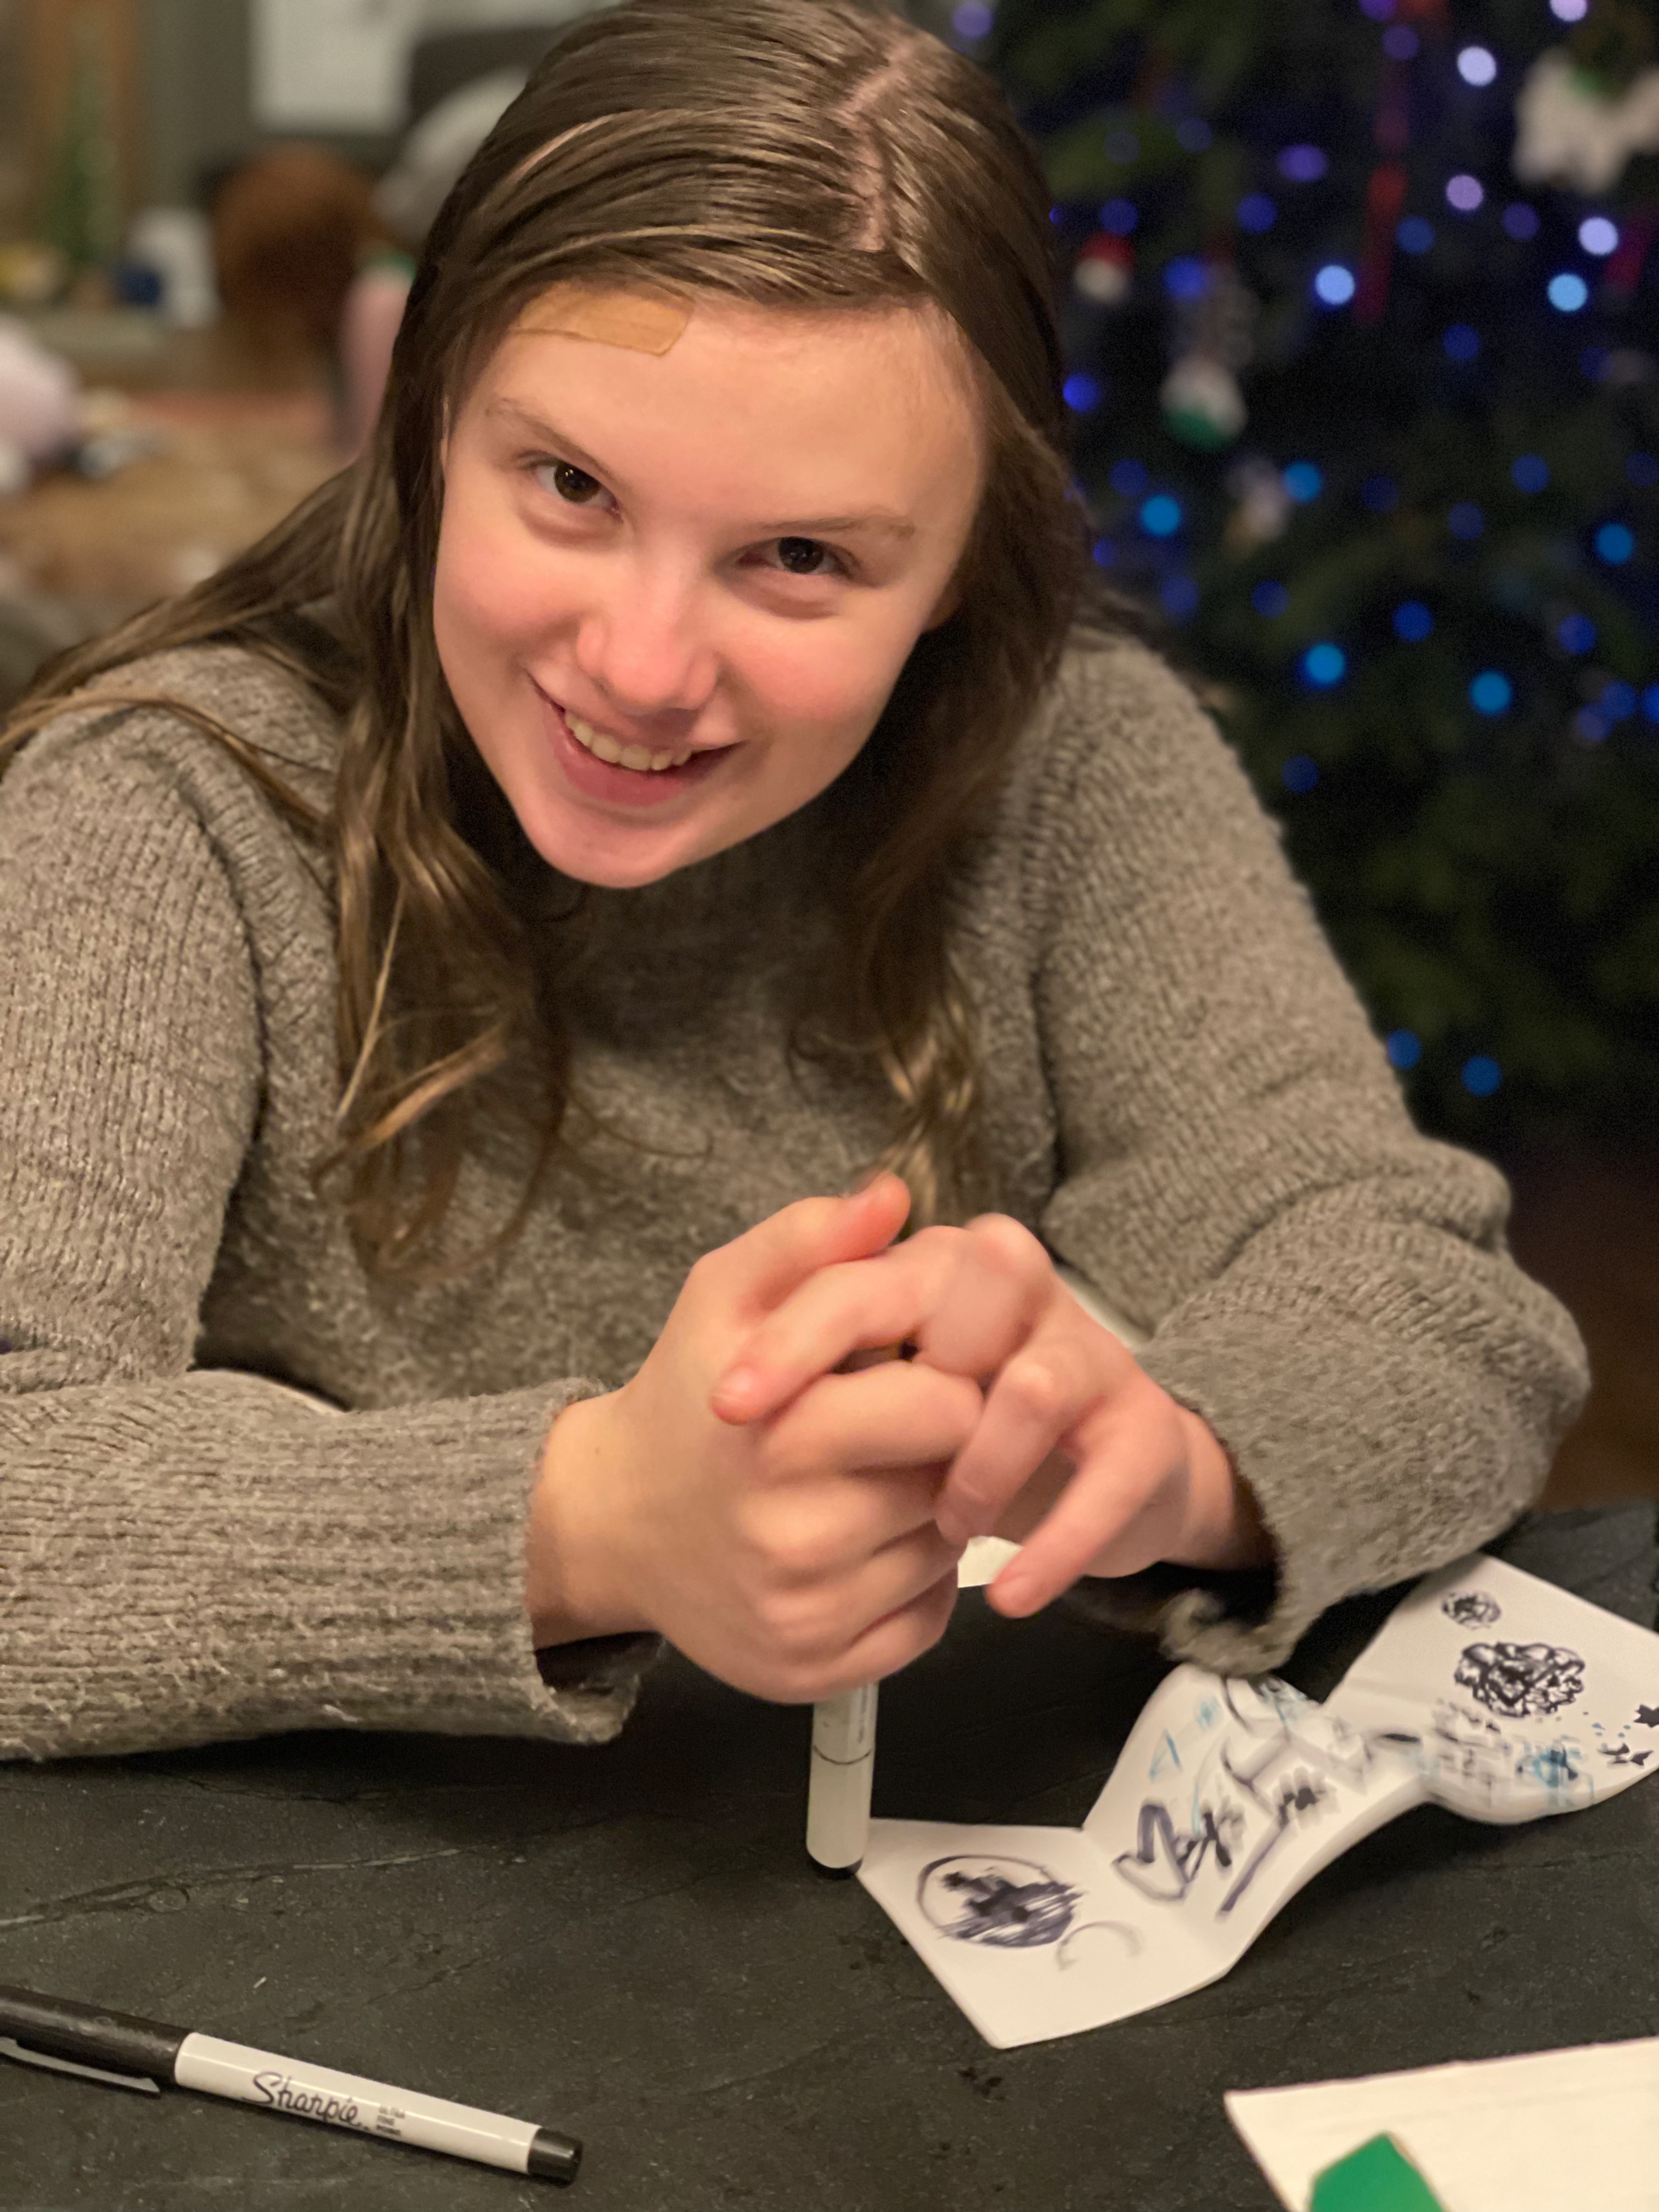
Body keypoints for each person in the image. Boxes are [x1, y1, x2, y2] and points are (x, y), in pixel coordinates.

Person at [0, 0, 1585, 1763]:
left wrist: (1166, 1461)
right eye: (570, 485)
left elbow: (1443, 1310)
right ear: (431, 418)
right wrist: (595, 1518)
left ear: (965, 567)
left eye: (802, 557)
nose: (642, 666)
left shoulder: (1072, 762)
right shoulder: (171, 804)